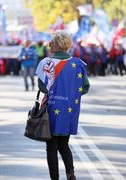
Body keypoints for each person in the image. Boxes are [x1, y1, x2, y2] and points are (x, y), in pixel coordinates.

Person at [36, 30, 90, 180]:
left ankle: (55, 178)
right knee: (64, 144)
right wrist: (70, 95)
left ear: (55, 44)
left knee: (51, 146)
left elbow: (42, 87)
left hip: (51, 109)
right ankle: (70, 172)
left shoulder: (46, 63)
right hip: (68, 108)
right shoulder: (78, 63)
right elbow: (85, 86)